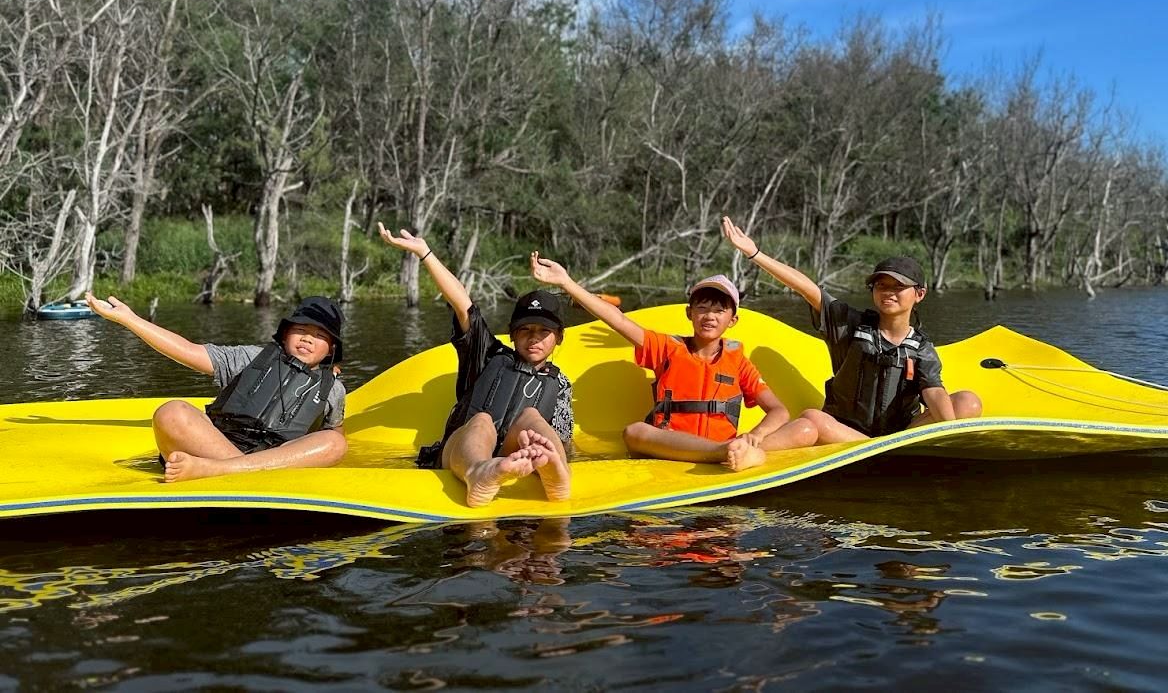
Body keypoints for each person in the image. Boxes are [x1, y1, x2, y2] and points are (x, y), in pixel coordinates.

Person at [720, 216, 982, 466]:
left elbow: (933, 391)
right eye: (881, 286)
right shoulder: (849, 324)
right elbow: (807, 289)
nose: (888, 293)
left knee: (967, 402)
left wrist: (949, 431)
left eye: (898, 287)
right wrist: (755, 253)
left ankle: (896, 449)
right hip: (847, 436)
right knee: (813, 419)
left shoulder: (921, 348)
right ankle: (744, 451)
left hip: (900, 437)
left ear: (919, 294)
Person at [529, 253, 791, 471]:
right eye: (702, 308)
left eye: (719, 310)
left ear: (732, 320)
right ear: (689, 313)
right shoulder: (667, 348)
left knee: (809, 423)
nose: (709, 316)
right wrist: (566, 282)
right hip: (674, 449)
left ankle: (738, 451)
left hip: (731, 445)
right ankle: (726, 453)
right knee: (634, 432)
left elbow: (779, 411)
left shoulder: (738, 361)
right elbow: (618, 320)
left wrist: (755, 436)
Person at [378, 224, 572, 508]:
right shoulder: (488, 354)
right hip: (461, 453)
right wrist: (425, 253)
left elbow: (564, 438)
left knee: (532, 417)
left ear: (559, 337)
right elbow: (463, 304)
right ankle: (480, 472)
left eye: (544, 331)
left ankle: (557, 473)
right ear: (512, 334)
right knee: (482, 420)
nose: (534, 338)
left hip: (514, 455)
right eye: (525, 330)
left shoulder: (560, 384)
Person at [84, 292, 349, 482]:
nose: (307, 339)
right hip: (214, 447)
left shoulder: (334, 390)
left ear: (331, 350)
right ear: (285, 333)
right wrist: (130, 319)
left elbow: (330, 435)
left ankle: (218, 471)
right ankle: (238, 474)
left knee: (335, 443)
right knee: (170, 412)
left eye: (319, 335)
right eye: (301, 330)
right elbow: (187, 350)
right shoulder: (251, 357)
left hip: (271, 460)